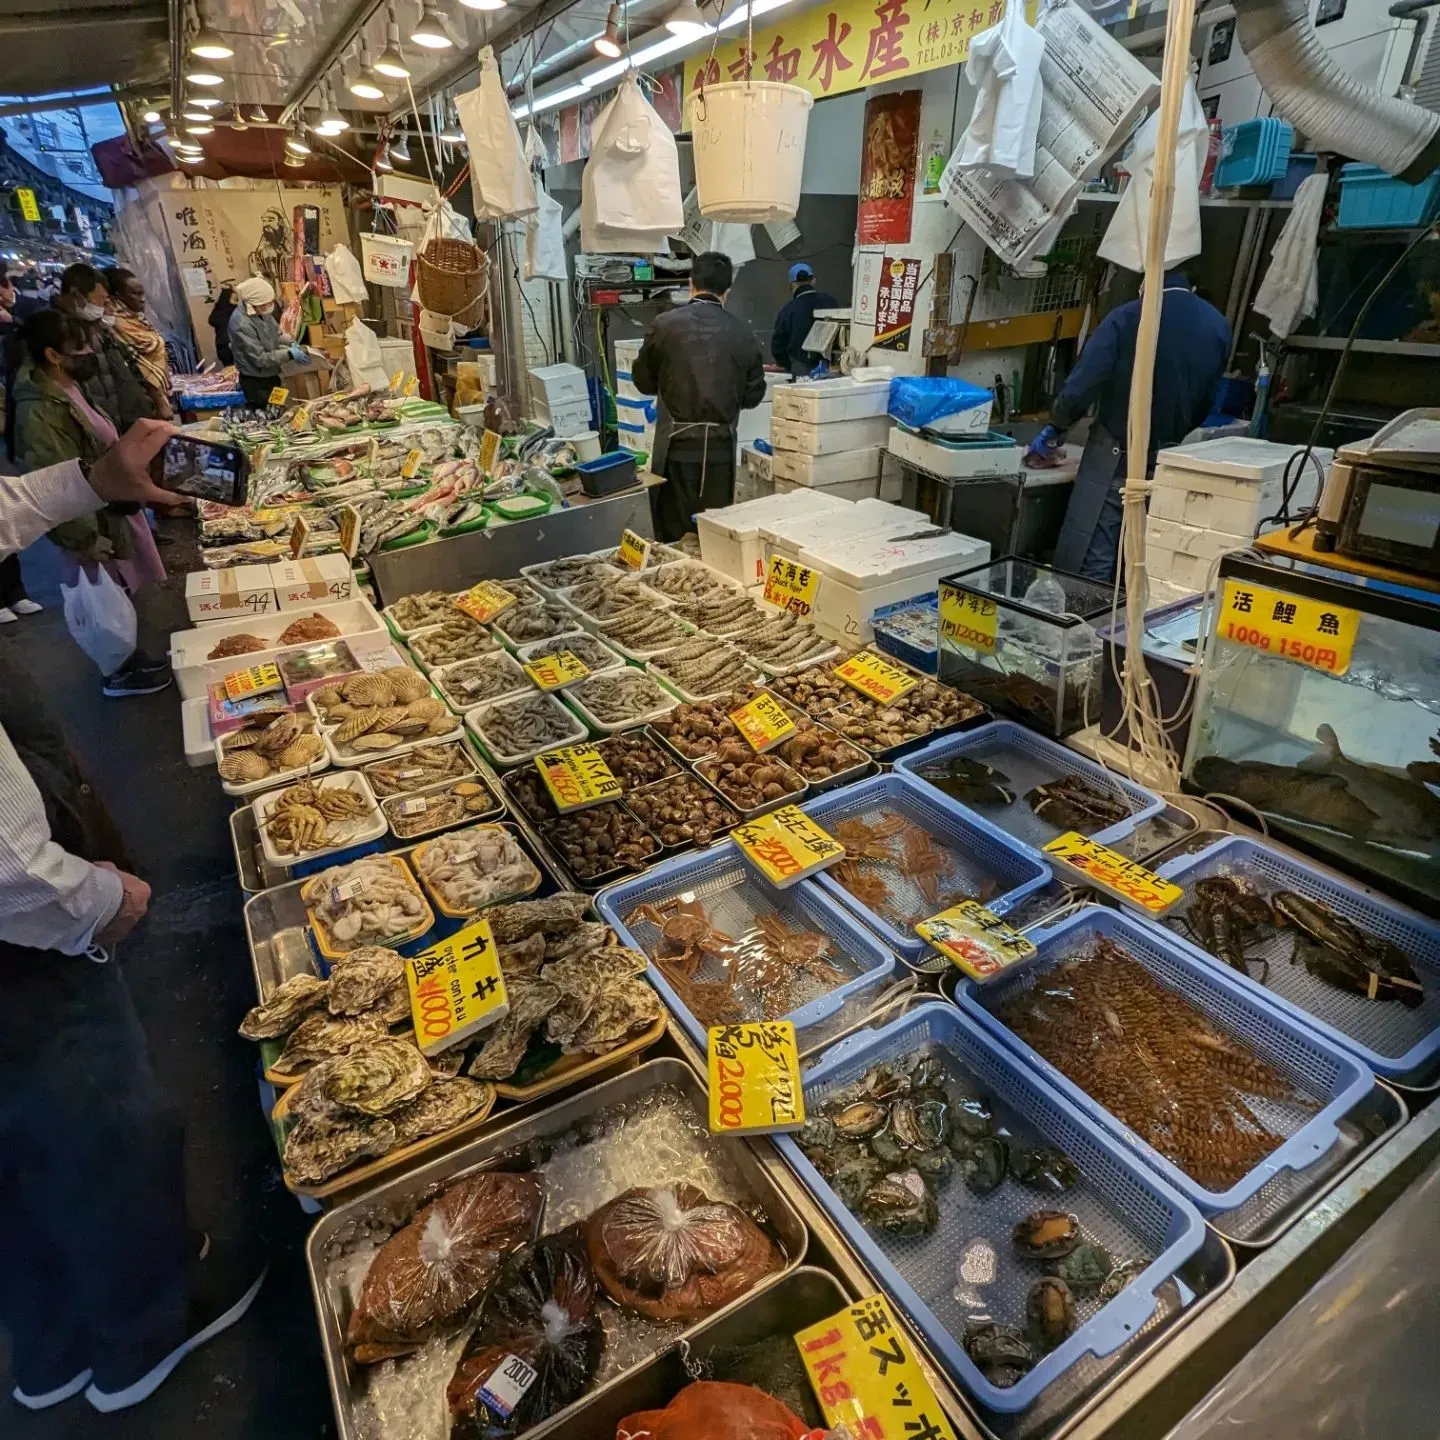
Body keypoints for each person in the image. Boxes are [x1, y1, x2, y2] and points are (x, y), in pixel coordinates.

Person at [0, 418, 267, 1416]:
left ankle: (55, 1340)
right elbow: (9, 866)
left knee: (20, 1151)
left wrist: (87, 480)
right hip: (22, 937)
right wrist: (96, 901)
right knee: (97, 1117)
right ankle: (145, 1327)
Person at [1029, 268, 1230, 582]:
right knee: (1143, 558)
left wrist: (1056, 427)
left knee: (1093, 555)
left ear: (1145, 283)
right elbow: (1208, 400)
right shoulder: (1217, 325)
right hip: (1168, 461)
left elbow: (1084, 382)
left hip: (1117, 454)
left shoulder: (1128, 317)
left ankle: (1085, 623)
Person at [11, 311, 171, 698]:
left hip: (110, 511)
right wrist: (83, 540)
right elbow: (51, 476)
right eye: (79, 348)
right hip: (89, 521)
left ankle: (129, 657)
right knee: (102, 598)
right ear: (53, 354)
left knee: (120, 592)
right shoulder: (39, 409)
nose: (89, 354)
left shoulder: (68, 390)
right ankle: (117, 671)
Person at [632, 251, 766, 542]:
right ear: (727, 291)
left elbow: (642, 381)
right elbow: (754, 396)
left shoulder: (664, 325)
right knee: (715, 536)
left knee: (672, 536)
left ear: (691, 283)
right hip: (720, 451)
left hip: (675, 449)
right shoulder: (742, 333)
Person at [52, 262, 156, 432]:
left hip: (119, 423)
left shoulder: (97, 329)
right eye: (101, 300)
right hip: (97, 430)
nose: (106, 308)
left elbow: (123, 373)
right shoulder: (58, 333)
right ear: (77, 296)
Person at [102, 268, 172, 420]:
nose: (142, 299)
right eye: (135, 294)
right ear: (117, 296)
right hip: (143, 396)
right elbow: (137, 365)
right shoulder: (116, 324)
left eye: (142, 293)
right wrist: (160, 402)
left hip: (155, 394)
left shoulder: (139, 319)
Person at [228, 277, 303, 409]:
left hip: (272, 376)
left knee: (278, 410)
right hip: (256, 382)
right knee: (266, 416)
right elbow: (260, 359)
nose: (268, 307)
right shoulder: (241, 324)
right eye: (264, 304)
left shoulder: (261, 311)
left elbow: (276, 334)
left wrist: (291, 343)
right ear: (252, 304)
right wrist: (289, 354)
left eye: (269, 303)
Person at [770, 262, 840, 377]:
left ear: (792, 285)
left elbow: (778, 346)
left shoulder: (788, 310)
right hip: (832, 368)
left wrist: (787, 366)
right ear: (813, 280)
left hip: (801, 371)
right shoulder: (831, 301)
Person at [208, 282, 236, 367]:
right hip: (230, 348)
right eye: (234, 299)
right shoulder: (231, 311)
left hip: (223, 348)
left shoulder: (219, 311)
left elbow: (212, 321)